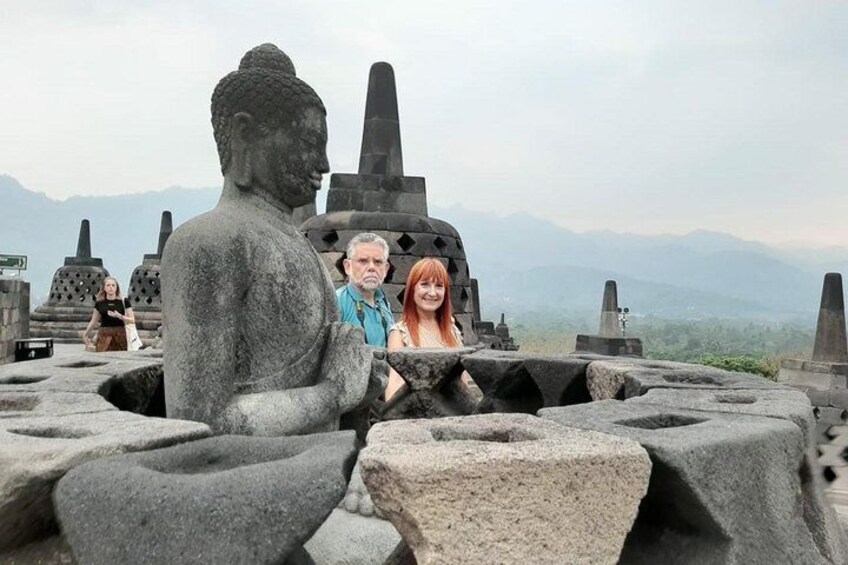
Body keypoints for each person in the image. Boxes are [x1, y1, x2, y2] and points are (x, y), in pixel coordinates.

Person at [162, 44, 369, 436]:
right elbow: (198, 421)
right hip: (252, 484)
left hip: (321, 470)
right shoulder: (208, 243)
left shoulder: (297, 243)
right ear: (245, 132)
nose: (323, 164)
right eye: (309, 143)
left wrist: (358, 382)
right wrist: (334, 393)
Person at [386, 258, 463, 399]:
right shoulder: (400, 333)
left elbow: (462, 382)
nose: (432, 293)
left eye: (439, 286)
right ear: (412, 289)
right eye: (425, 285)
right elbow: (395, 383)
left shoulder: (453, 332)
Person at [336, 233, 394, 347]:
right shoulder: (336, 302)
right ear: (348, 266)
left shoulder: (383, 302)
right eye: (363, 261)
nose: (371, 267)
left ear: (386, 269)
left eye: (378, 262)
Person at [83, 276, 135, 352]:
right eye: (108, 285)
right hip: (104, 333)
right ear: (104, 288)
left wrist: (119, 316)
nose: (111, 287)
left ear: (117, 288)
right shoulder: (100, 303)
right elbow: (93, 321)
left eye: (113, 285)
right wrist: (85, 334)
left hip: (120, 332)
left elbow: (132, 320)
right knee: (102, 355)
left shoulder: (123, 301)